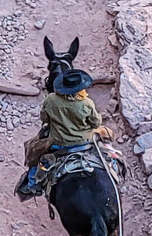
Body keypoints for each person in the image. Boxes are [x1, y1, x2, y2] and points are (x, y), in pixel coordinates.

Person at [16, 63, 111, 198]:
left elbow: (44, 118)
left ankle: (32, 183)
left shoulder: (51, 99)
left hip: (58, 142)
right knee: (107, 138)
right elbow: (96, 123)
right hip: (85, 140)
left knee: (35, 151)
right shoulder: (86, 103)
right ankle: (115, 167)